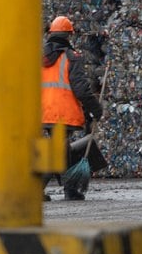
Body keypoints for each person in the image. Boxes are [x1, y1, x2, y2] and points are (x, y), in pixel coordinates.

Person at [41, 15, 103, 201]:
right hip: (63, 113)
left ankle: (69, 189)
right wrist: (96, 109)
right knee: (58, 150)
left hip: (44, 113)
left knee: (62, 148)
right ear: (69, 35)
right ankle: (44, 189)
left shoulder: (39, 57)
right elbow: (81, 89)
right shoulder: (71, 57)